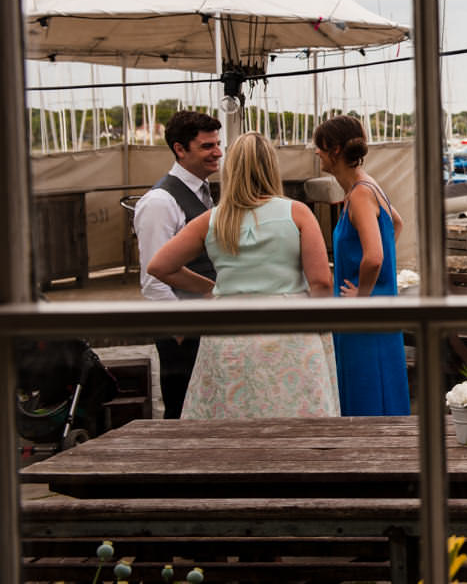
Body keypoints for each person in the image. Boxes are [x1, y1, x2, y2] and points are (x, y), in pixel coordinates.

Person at [146, 132, 339, 419]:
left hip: (229, 329)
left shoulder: (212, 219)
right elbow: (321, 281)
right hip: (290, 328)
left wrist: (210, 288)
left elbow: (159, 266)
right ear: (271, 167)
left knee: (231, 420)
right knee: (295, 420)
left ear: (231, 169)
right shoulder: (297, 213)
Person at [314, 115, 411, 416]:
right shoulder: (367, 186)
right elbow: (397, 223)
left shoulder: (360, 194)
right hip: (378, 307)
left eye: (320, 147)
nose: (316, 152)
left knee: (366, 391)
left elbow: (374, 256)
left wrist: (363, 294)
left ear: (335, 151)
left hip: (364, 316)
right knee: (380, 385)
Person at [132, 110, 222, 419]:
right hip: (184, 329)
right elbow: (152, 278)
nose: (217, 152)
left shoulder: (203, 192)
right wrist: (179, 329)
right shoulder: (159, 202)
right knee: (182, 409)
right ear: (180, 149)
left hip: (206, 322)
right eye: (207, 146)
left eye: (217, 144)